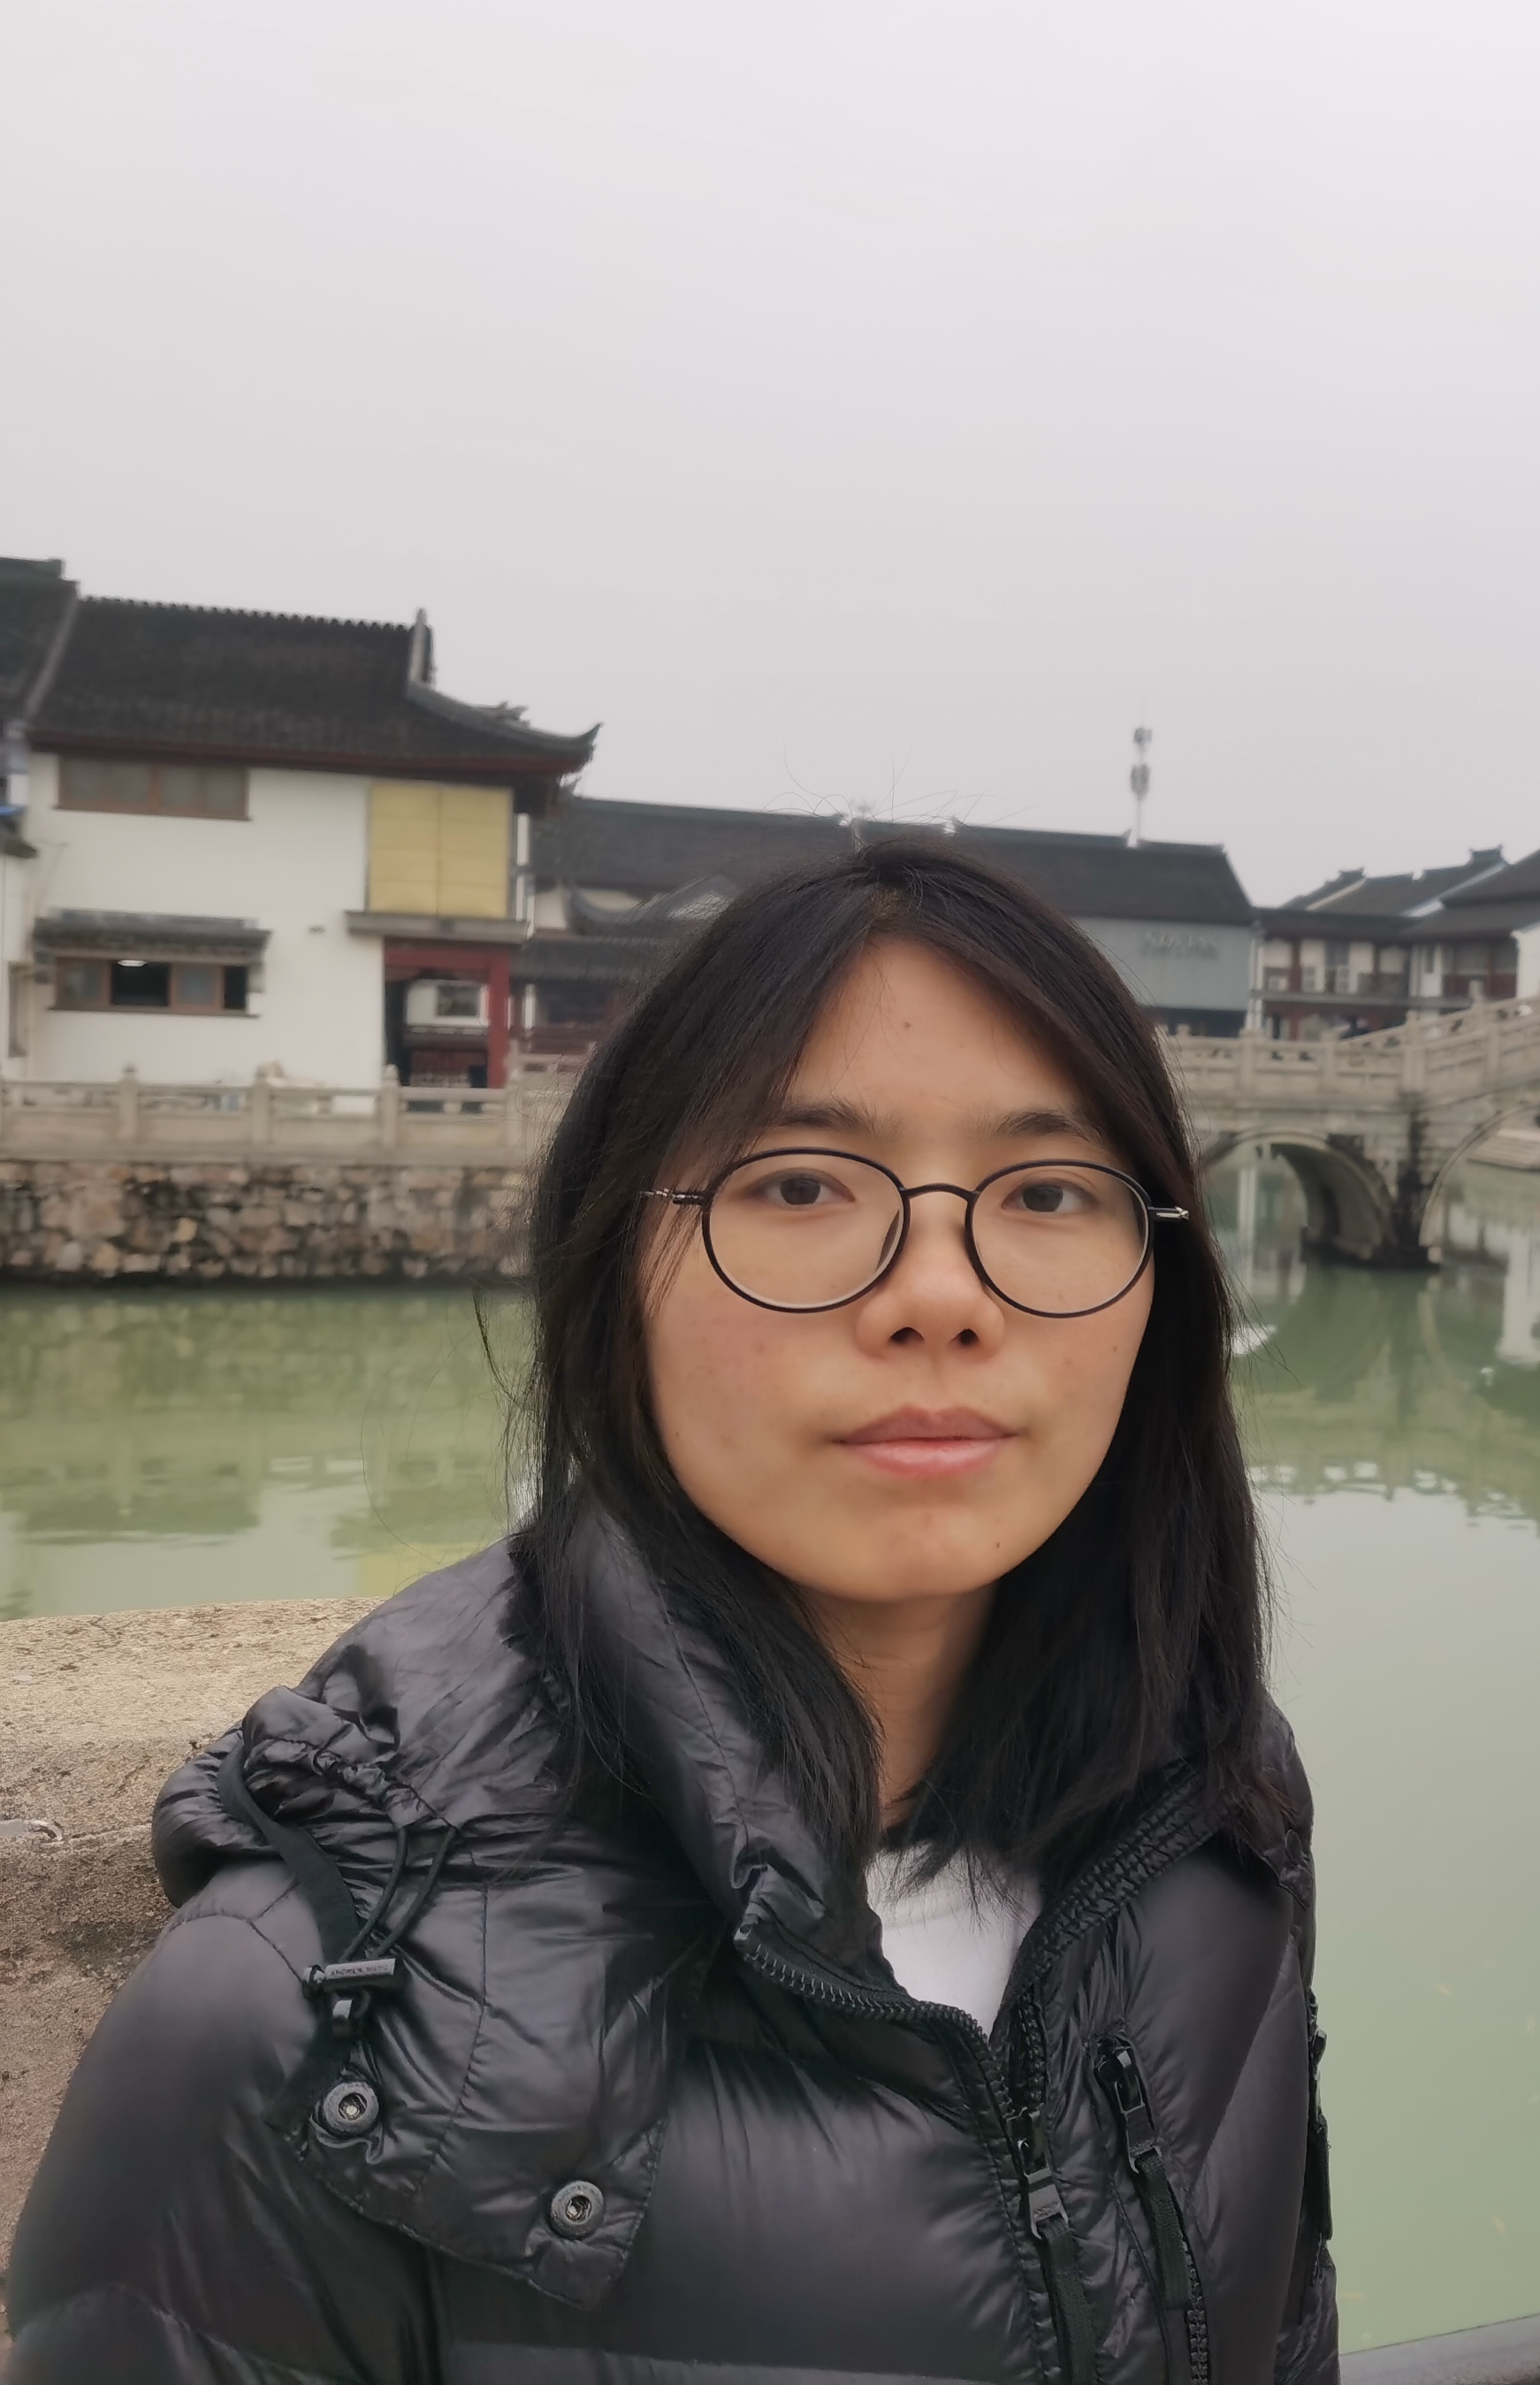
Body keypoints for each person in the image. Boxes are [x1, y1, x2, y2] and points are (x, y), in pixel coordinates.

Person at [7, 839, 1336, 2383]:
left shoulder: (1209, 1816)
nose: (941, 1295)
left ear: (1161, 1283)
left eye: (1047, 1191)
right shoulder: (300, 2028)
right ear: (611, 1268)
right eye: (799, 1184)